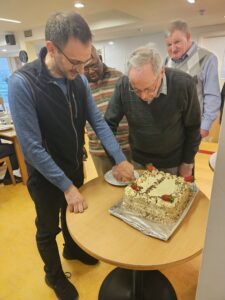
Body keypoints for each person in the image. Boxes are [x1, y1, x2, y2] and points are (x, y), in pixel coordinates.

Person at [8, 12, 134, 300]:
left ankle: (72, 248)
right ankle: (53, 275)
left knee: (72, 216)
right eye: (75, 62)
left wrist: (120, 158)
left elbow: (98, 122)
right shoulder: (22, 84)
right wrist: (66, 187)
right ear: (51, 48)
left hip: (74, 163)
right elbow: (32, 147)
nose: (81, 69)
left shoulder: (78, 81)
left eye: (85, 61)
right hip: (45, 176)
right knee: (47, 226)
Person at [105, 46, 201, 177]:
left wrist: (187, 162)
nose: (143, 96)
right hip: (139, 161)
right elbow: (108, 126)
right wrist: (117, 160)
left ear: (161, 72)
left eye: (148, 89)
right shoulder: (123, 84)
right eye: (136, 90)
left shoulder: (184, 84)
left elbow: (194, 127)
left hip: (174, 163)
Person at [165, 20, 221, 139]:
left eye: (177, 42)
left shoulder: (207, 58)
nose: (173, 48)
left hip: (193, 128)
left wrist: (205, 127)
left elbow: (212, 96)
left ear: (188, 37)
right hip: (169, 128)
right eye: (169, 45)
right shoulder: (167, 61)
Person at [84, 46, 130, 176]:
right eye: (86, 68)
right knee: (108, 191)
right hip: (99, 151)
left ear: (100, 58)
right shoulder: (79, 85)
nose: (91, 71)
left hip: (126, 146)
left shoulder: (119, 77)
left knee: (133, 186)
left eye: (94, 65)